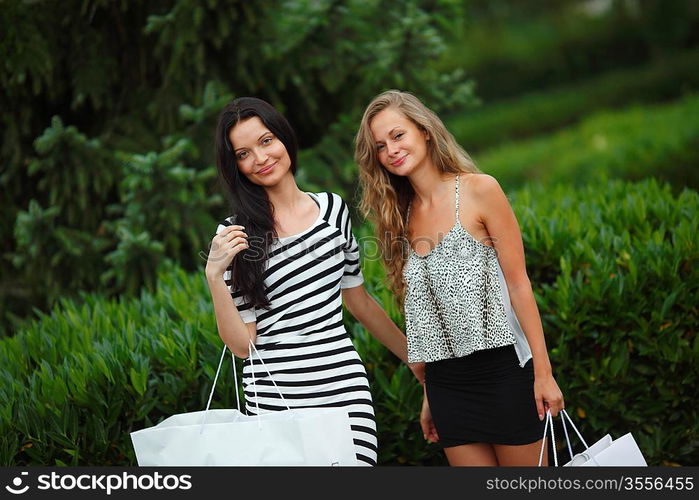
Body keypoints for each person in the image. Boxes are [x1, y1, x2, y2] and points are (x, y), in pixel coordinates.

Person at [205, 96, 423, 466]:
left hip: (344, 390)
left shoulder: (333, 210)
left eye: (266, 141)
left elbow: (359, 301)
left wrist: (417, 363)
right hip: (277, 400)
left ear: (284, 139)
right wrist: (214, 276)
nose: (260, 159)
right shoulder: (234, 233)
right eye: (243, 154)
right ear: (235, 166)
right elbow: (243, 346)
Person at [354, 90, 564, 466]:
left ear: (425, 131)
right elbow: (425, 317)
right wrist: (428, 393)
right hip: (447, 388)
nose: (391, 150)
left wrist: (543, 375)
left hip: (505, 374)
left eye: (398, 135)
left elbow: (519, 285)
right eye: (380, 146)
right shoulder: (397, 218)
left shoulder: (480, 190)